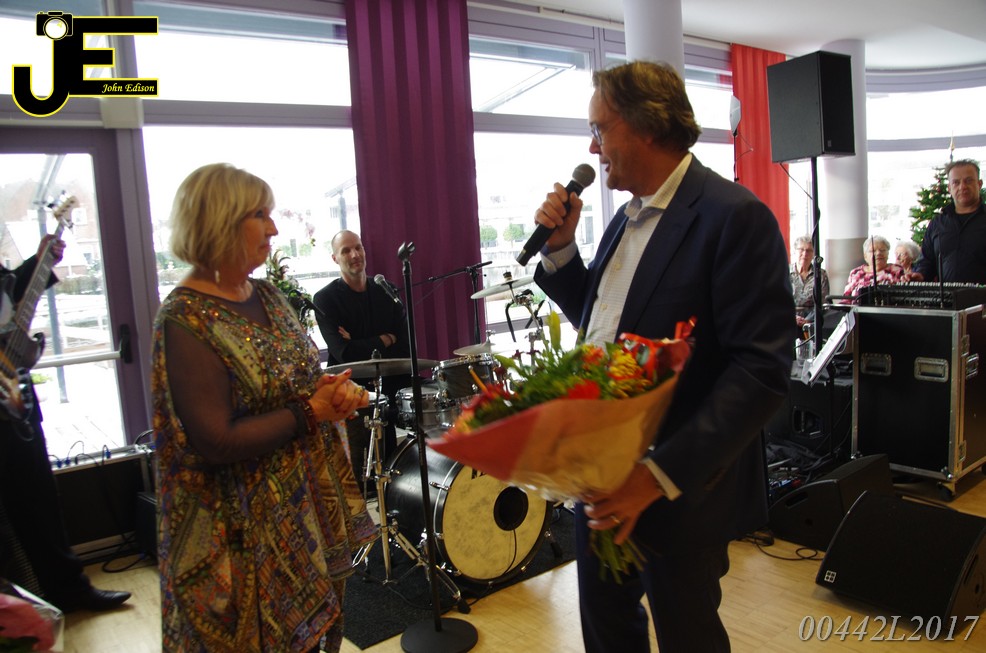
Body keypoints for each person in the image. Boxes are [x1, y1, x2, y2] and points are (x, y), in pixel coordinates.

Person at [532, 61, 793, 652]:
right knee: (607, 632)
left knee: (687, 635)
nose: (592, 147)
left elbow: (761, 371)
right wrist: (562, 251)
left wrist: (655, 476)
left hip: (679, 485)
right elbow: (606, 327)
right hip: (600, 476)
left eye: (600, 129)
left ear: (647, 126)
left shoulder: (734, 217)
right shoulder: (624, 220)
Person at [151, 163, 376, 652]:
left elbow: (297, 381)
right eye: (260, 215)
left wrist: (333, 393)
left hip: (303, 509)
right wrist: (311, 411)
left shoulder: (269, 296)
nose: (273, 228)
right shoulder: (185, 318)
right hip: (238, 533)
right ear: (220, 221)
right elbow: (216, 440)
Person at [0, 234, 132, 614]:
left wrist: (39, 264)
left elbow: (9, 304)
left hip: (15, 398)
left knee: (40, 502)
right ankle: (16, 613)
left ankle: (69, 591)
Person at [313, 230, 410, 463]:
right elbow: (344, 353)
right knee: (360, 467)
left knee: (395, 463)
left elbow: (406, 348)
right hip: (351, 395)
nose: (355, 254)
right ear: (335, 258)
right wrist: (385, 338)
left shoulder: (386, 290)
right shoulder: (325, 299)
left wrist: (356, 340)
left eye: (358, 247)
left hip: (391, 389)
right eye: (346, 251)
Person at [912, 159, 986, 283]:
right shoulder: (937, 224)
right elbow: (927, 261)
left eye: (968, 181)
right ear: (949, 188)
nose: (962, 187)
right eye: (956, 182)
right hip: (946, 295)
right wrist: (920, 275)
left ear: (979, 184)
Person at [842, 235, 906, 299]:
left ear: (888, 253)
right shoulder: (855, 273)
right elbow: (846, 298)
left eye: (882, 250)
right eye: (873, 251)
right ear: (865, 256)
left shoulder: (898, 271)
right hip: (857, 305)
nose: (878, 253)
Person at [790, 235, 830, 329]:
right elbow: (778, 302)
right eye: (801, 249)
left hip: (812, 322)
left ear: (813, 254)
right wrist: (793, 318)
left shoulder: (820, 274)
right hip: (788, 319)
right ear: (794, 251)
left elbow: (822, 304)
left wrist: (807, 320)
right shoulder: (784, 272)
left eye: (809, 250)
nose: (805, 253)